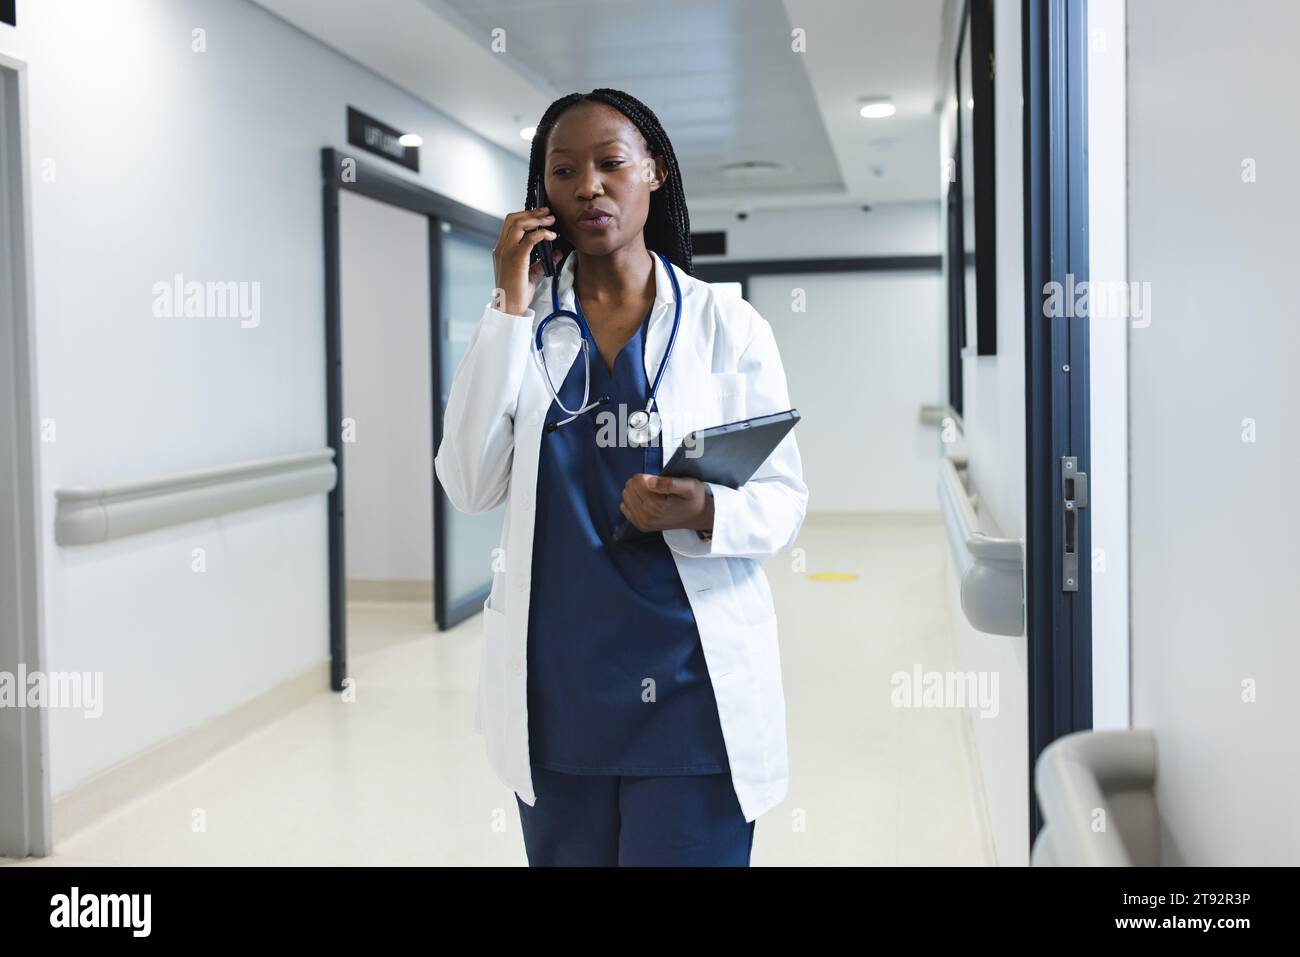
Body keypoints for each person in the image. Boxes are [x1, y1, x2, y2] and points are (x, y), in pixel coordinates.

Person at [434, 88, 807, 866]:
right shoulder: (522, 327)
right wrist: (508, 303)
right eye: (564, 170)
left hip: (691, 693)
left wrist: (705, 507)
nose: (589, 186)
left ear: (656, 172)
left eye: (611, 163)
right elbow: (469, 481)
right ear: (543, 194)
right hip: (560, 694)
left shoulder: (725, 326)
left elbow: (781, 500)